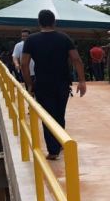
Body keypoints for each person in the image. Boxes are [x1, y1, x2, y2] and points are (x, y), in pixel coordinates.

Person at [21, 9, 87, 161]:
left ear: (39, 22)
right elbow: (76, 59)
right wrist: (82, 81)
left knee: (48, 116)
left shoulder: (31, 40)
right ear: (54, 22)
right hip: (62, 83)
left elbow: (24, 64)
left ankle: (53, 151)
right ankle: (60, 141)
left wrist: (29, 84)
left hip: (42, 84)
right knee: (59, 113)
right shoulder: (64, 38)